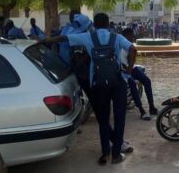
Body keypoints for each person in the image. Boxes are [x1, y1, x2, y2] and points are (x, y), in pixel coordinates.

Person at [43, 13, 137, 165]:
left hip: (98, 84)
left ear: (95, 24)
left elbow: (64, 39)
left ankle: (105, 153)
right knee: (119, 119)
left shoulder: (88, 37)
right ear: (107, 24)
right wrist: (129, 70)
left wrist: (46, 40)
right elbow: (133, 49)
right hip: (117, 82)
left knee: (104, 119)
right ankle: (116, 155)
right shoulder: (117, 37)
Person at [121, 28, 159, 120]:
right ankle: (141, 110)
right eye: (131, 35)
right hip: (123, 70)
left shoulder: (129, 45)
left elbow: (131, 60)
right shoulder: (121, 45)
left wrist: (131, 67)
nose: (133, 37)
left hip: (131, 68)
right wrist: (128, 71)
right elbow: (122, 63)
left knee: (147, 81)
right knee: (132, 84)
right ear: (126, 36)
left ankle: (151, 107)